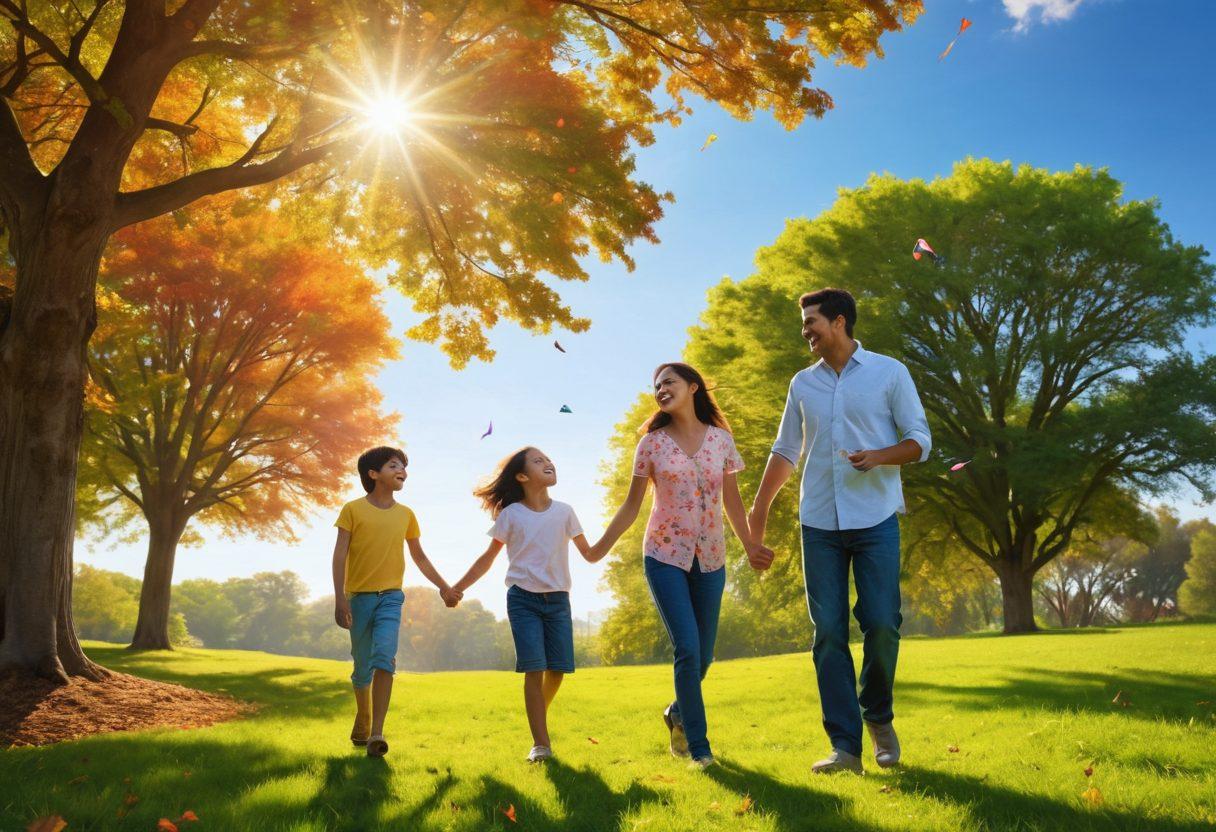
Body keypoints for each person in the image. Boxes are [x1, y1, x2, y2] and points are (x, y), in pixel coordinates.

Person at [748, 288, 931, 774]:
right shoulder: (802, 384)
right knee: (828, 633)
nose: (805, 330)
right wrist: (758, 511)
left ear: (840, 321)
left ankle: (879, 717)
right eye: (804, 322)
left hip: (875, 519)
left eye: (811, 321)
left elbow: (919, 442)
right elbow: (785, 451)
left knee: (882, 623)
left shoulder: (889, 373)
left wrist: (879, 456)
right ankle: (846, 748)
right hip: (819, 523)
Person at [594, 363, 771, 769]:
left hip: (711, 557)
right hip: (664, 555)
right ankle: (701, 750)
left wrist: (751, 546)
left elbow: (733, 502)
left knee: (702, 658)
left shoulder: (721, 441)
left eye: (668, 382)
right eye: (656, 386)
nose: (660, 389)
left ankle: (676, 713)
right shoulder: (651, 445)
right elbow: (631, 506)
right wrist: (598, 548)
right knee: (687, 649)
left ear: (693, 387)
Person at [451, 446, 606, 763]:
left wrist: (618, 528)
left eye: (549, 459)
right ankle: (541, 744)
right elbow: (487, 559)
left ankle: (536, 713)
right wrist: (458, 588)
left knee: (558, 671)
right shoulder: (511, 515)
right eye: (539, 461)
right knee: (534, 668)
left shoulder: (565, 512)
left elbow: (589, 554)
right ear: (522, 476)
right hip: (523, 599)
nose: (549, 462)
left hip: (559, 600)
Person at [332, 446, 461, 757]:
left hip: (391, 597)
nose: (402, 469)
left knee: (385, 658)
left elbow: (419, 556)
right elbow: (339, 556)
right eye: (394, 465)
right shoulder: (352, 510)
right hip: (359, 598)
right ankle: (363, 715)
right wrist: (340, 599)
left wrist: (445, 587)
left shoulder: (406, 515)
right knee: (362, 667)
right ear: (373, 474)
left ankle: (377, 732)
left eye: (403, 465)